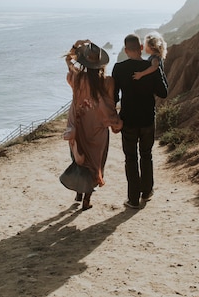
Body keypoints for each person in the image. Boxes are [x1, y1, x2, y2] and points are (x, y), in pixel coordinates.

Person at [60, 40, 123, 211]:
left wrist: (74, 47)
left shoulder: (78, 78)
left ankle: (79, 193)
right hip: (98, 130)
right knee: (95, 162)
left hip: (79, 126)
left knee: (79, 157)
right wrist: (114, 122)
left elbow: (68, 61)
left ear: (85, 62)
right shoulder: (108, 81)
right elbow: (110, 105)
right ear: (101, 64)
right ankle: (87, 199)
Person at [112, 34, 168, 209]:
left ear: (126, 50)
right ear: (141, 48)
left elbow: (113, 97)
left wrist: (114, 117)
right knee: (146, 155)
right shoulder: (151, 66)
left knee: (130, 158)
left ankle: (133, 199)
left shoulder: (119, 68)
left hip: (128, 119)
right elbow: (163, 93)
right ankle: (147, 191)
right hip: (147, 119)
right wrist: (158, 70)